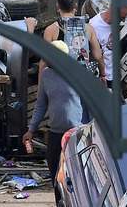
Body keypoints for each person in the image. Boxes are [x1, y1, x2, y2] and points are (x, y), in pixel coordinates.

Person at [22, 41, 85, 205]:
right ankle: (60, 203)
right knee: (55, 172)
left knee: (77, 173)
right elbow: (41, 105)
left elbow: (89, 101)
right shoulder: (46, 75)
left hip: (75, 133)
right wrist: (31, 129)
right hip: (55, 133)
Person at [41, 0, 93, 74]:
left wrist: (41, 84)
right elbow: (98, 55)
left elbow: (44, 61)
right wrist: (103, 75)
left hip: (63, 79)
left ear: (57, 6)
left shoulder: (51, 30)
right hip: (83, 78)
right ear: (75, 6)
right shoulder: (88, 28)